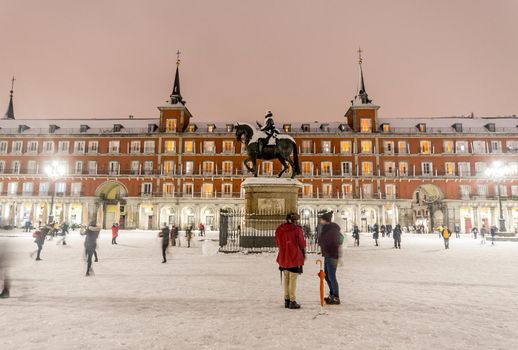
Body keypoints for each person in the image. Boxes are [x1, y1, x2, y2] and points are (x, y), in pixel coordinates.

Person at [275, 212, 306, 310]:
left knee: (286, 278)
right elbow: (302, 243)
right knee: (293, 279)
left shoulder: (280, 229)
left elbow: (277, 242)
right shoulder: (297, 229)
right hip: (294, 256)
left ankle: (286, 299)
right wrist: (303, 252)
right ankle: (292, 301)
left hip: (283, 256)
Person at [318, 211, 341, 305]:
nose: (320, 220)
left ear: (325, 220)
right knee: (327, 276)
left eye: (321, 219)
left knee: (332, 276)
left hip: (332, 255)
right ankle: (332, 294)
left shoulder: (332, 229)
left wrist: (328, 248)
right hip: (327, 255)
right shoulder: (327, 228)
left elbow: (335, 242)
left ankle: (336, 296)